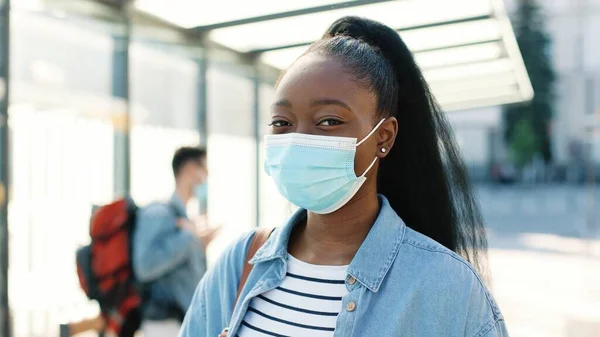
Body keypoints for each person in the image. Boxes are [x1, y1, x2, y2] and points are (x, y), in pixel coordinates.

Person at [180, 17, 507, 337]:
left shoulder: (447, 287)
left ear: (384, 137)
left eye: (329, 121)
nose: (299, 139)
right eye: (282, 122)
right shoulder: (240, 263)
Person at [134, 146, 219, 337]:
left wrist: (199, 244)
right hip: (163, 324)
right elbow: (144, 267)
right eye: (204, 170)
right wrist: (190, 239)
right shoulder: (159, 214)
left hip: (181, 322)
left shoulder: (184, 219)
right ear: (190, 169)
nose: (206, 177)